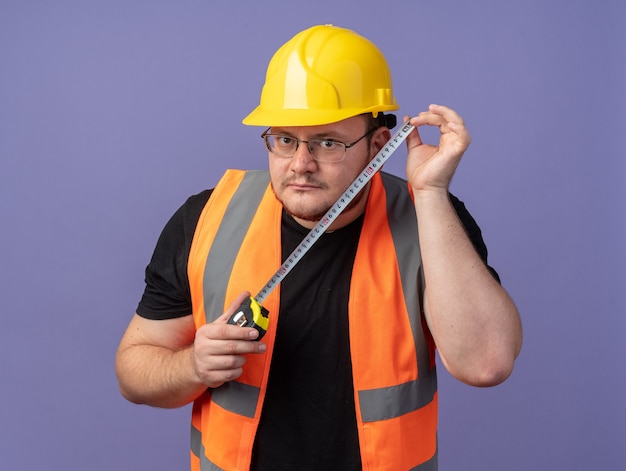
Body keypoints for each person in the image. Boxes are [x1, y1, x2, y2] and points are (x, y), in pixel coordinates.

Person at [115, 24, 522, 471]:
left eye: (328, 142)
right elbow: (135, 372)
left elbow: (487, 364)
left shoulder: (433, 221)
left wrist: (429, 194)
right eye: (285, 140)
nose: (301, 164)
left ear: (379, 146)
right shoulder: (206, 218)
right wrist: (194, 366)